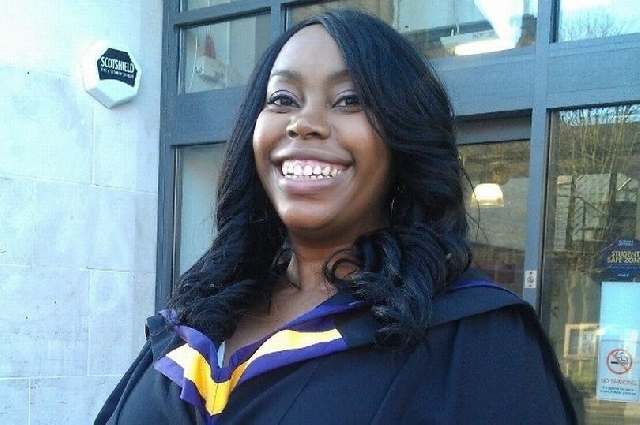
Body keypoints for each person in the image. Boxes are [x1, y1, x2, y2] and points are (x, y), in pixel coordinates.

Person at [96, 9, 577, 424]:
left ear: (404, 139)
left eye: (350, 100)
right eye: (283, 99)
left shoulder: (477, 340)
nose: (303, 123)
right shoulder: (199, 318)